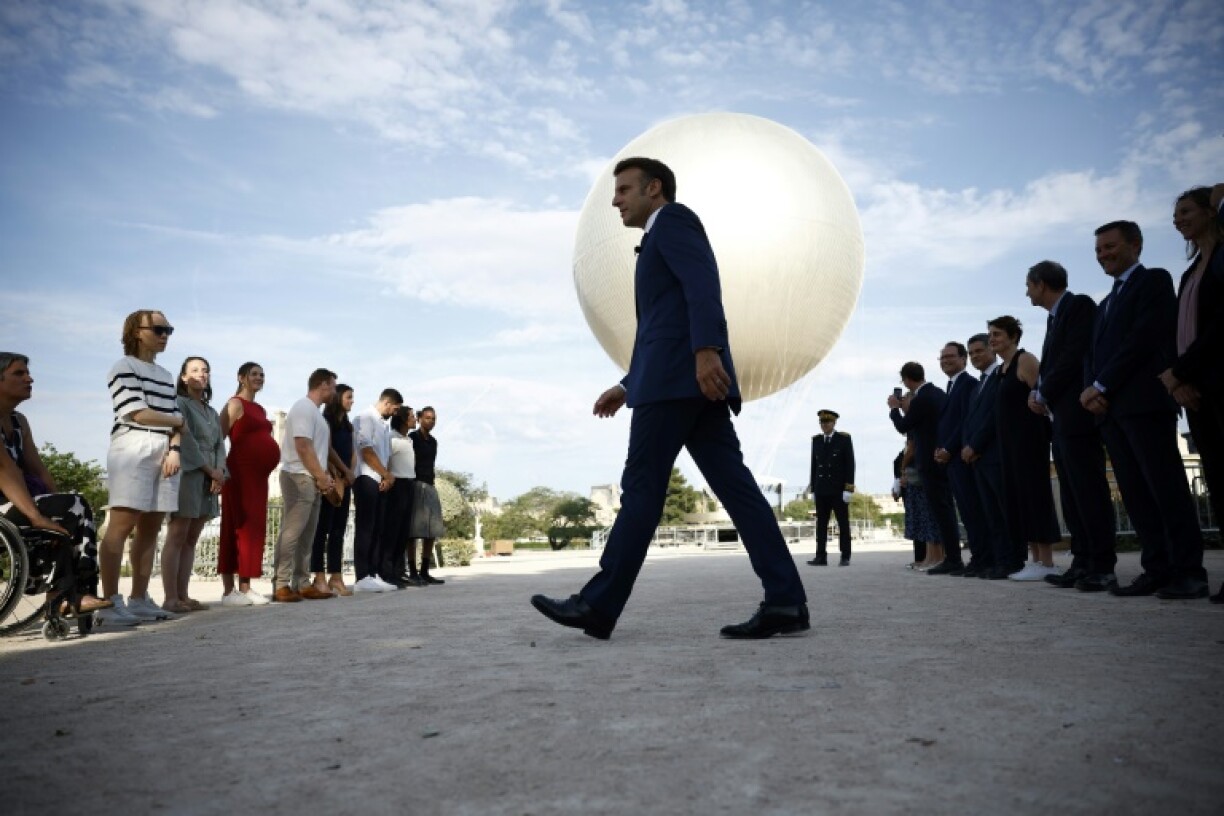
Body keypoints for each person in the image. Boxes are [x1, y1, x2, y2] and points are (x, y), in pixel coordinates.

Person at [531, 157, 808, 640]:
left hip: (676, 384)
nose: (615, 200)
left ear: (654, 189)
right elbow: (664, 323)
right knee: (739, 493)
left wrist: (706, 352)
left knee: (641, 491)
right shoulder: (655, 238)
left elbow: (704, 289)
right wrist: (626, 383)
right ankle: (785, 600)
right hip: (681, 383)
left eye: (623, 190)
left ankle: (597, 605)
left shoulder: (675, 222)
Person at [1081, 220, 1208, 600]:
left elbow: (1144, 337)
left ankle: (1189, 571)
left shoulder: (1153, 281)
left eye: (1110, 246)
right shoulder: (1104, 305)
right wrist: (1092, 389)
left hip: (1144, 404)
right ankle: (1156, 569)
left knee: (1164, 488)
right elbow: (1092, 354)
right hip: (1112, 411)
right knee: (1135, 493)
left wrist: (1102, 384)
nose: (1104, 254)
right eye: (1099, 249)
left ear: (1135, 245)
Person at [1025, 261, 1117, 591]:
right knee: (1073, 495)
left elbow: (1073, 355)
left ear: (1041, 284)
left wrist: (1044, 390)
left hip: (1078, 414)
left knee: (1089, 491)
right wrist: (1039, 391)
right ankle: (1082, 561)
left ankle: (1102, 564)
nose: (1026, 292)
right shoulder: (1053, 319)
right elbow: (1053, 362)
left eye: (1028, 285)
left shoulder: (1078, 306)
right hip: (1060, 418)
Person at [0, 352, 112, 617]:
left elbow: (37, 468)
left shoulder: (18, 422)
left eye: (28, 373)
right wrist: (37, 516)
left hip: (13, 502)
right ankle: (67, 595)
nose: (30, 379)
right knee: (72, 506)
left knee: (72, 506)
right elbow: (5, 470)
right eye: (19, 373)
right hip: (5, 503)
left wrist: (56, 508)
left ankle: (66, 594)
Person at [1159, 188, 1224, 605]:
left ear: (1210, 210)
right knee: (1218, 480)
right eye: (1175, 213)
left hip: (1216, 377)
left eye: (1185, 211)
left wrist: (1181, 371)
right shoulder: (1189, 272)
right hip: (1194, 389)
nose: (1177, 219)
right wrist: (1177, 380)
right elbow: (1179, 333)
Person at [97, 309, 183, 624]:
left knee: (151, 527)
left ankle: (139, 598)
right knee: (121, 523)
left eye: (168, 330)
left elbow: (175, 420)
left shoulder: (166, 374)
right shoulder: (123, 367)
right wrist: (178, 422)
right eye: (159, 328)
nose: (165, 335)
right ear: (136, 331)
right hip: (133, 443)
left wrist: (175, 447)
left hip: (167, 450)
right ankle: (108, 602)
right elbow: (137, 412)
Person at [987, 316, 1061, 581]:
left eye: (997, 334)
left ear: (1012, 336)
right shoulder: (1000, 369)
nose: (992, 339)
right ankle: (1034, 559)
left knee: (1035, 496)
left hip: (1029, 440)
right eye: (990, 334)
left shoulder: (1025, 360)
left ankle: (1047, 560)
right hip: (1008, 444)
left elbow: (1044, 395)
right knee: (1019, 500)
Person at [162, 356, 227, 614]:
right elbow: (185, 442)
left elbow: (220, 444)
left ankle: (184, 595)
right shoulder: (180, 404)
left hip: (210, 478)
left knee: (191, 538)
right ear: (184, 376)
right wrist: (209, 469)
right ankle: (170, 597)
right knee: (177, 535)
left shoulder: (211, 412)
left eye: (205, 370)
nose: (202, 374)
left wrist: (220, 471)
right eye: (195, 370)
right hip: (189, 474)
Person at [888, 362, 962, 574]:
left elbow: (904, 427)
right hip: (943, 458)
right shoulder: (938, 393)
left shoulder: (922, 398)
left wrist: (894, 409)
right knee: (944, 512)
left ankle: (951, 559)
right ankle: (951, 557)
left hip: (928, 463)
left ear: (906, 380)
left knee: (938, 514)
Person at [271, 369, 337, 602]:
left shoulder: (317, 415)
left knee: (307, 534)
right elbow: (302, 446)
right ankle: (281, 584)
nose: (335, 391)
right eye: (333, 386)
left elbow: (318, 450)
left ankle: (301, 582)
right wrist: (320, 476)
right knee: (292, 531)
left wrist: (324, 476)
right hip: (298, 475)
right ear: (323, 385)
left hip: (312, 478)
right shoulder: (303, 408)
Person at [218, 363, 279, 606]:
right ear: (241, 378)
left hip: (259, 478)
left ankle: (246, 586)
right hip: (239, 474)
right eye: (254, 374)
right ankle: (228, 590)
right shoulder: (235, 404)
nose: (259, 378)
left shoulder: (261, 409)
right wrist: (219, 470)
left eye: (262, 374)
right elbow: (217, 438)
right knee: (236, 526)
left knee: (254, 529)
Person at [933, 341, 983, 576]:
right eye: (942, 358)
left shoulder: (968, 384)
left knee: (973, 510)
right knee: (965, 510)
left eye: (950, 357)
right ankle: (977, 557)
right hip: (951, 459)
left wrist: (949, 448)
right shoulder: (952, 386)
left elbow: (965, 421)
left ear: (964, 359)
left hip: (962, 457)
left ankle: (981, 558)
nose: (945, 361)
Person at [959, 334, 1003, 578]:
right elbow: (970, 420)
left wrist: (974, 445)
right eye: (972, 352)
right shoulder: (979, 384)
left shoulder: (999, 376)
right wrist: (967, 445)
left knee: (1001, 513)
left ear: (991, 350)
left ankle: (1007, 561)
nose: (975, 356)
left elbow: (993, 416)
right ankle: (996, 561)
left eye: (979, 351)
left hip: (992, 455)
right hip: (976, 459)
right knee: (990, 515)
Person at [351, 388, 402, 593]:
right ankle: (362, 575)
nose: (395, 413)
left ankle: (374, 573)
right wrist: (385, 474)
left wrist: (387, 475)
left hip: (381, 479)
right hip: (366, 477)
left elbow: (386, 455)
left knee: (379, 528)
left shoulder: (384, 425)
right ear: (387, 403)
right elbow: (366, 451)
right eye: (395, 409)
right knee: (366, 528)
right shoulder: (365, 418)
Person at [309, 383, 357, 597]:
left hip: (345, 481)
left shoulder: (347, 425)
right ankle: (318, 575)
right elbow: (326, 450)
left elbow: (353, 452)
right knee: (322, 530)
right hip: (330, 479)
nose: (351, 401)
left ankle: (336, 576)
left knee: (339, 530)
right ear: (338, 398)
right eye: (348, 397)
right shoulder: (325, 421)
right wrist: (342, 471)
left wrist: (350, 473)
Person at [806, 409, 855, 567]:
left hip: (838, 489)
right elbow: (814, 466)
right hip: (822, 489)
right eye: (822, 422)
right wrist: (813, 488)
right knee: (821, 524)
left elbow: (850, 464)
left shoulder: (843, 439)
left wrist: (848, 488)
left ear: (834, 423)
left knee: (843, 524)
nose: (824, 425)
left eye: (827, 422)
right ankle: (821, 556)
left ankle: (845, 556)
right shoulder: (817, 440)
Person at [408, 406, 445, 586]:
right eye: (428, 418)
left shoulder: (433, 442)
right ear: (420, 418)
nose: (431, 421)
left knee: (432, 530)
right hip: (415, 483)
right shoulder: (412, 438)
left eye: (434, 419)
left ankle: (425, 570)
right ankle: (412, 570)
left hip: (430, 484)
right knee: (414, 530)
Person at [383, 405, 418, 587]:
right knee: (393, 530)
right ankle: (388, 572)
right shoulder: (391, 438)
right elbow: (386, 461)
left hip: (409, 484)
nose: (415, 419)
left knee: (404, 530)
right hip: (397, 485)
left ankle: (399, 571)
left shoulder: (408, 440)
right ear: (403, 419)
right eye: (412, 416)